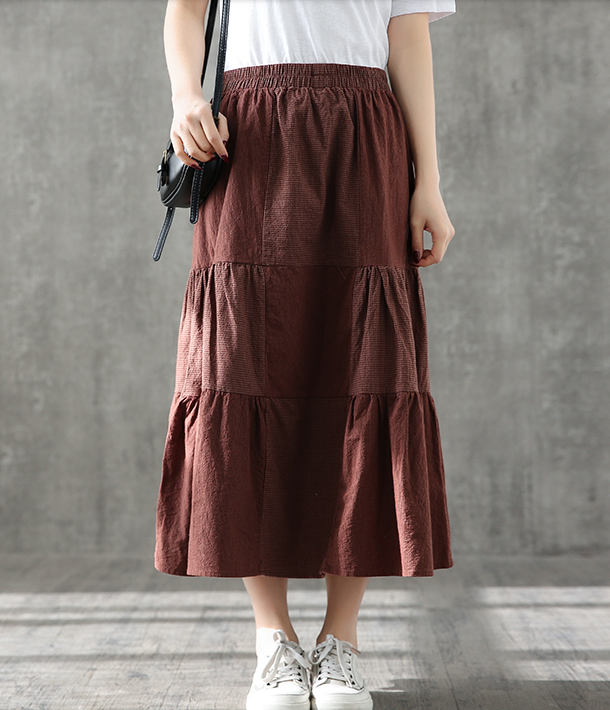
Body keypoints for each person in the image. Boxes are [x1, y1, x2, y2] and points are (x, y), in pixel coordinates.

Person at [154, 1, 457, 708]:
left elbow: (407, 38)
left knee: (365, 369)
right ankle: (274, 640)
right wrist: (186, 95)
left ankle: (340, 641)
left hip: (365, 137)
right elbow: (186, 8)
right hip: (248, 134)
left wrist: (429, 181)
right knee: (241, 370)